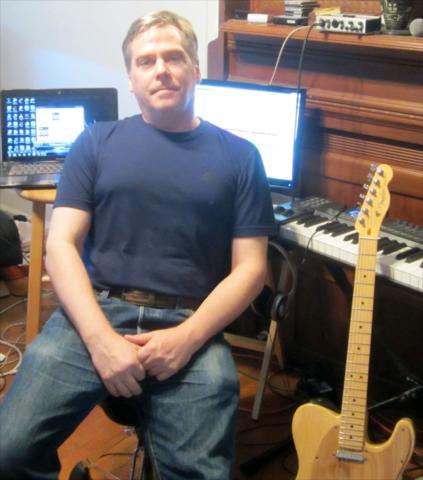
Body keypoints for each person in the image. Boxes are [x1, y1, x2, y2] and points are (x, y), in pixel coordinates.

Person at [0, 10, 275, 479]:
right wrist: (100, 340)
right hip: (95, 314)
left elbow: (251, 270)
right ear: (130, 78)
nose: (161, 69)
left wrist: (187, 339)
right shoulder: (95, 142)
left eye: (174, 57)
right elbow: (60, 245)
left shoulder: (241, 157)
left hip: (189, 322)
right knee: (9, 453)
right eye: (146, 61)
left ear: (195, 69)